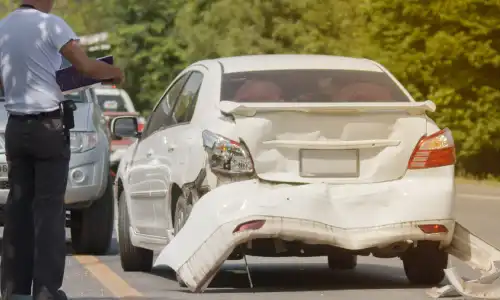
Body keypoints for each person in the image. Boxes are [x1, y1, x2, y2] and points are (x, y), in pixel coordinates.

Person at [0, 1, 124, 299]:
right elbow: (84, 66)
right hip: (48, 129)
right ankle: (45, 290)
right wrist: (112, 71)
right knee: (49, 210)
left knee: (18, 209)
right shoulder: (51, 24)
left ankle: (13, 289)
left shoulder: (3, 28)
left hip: (15, 128)